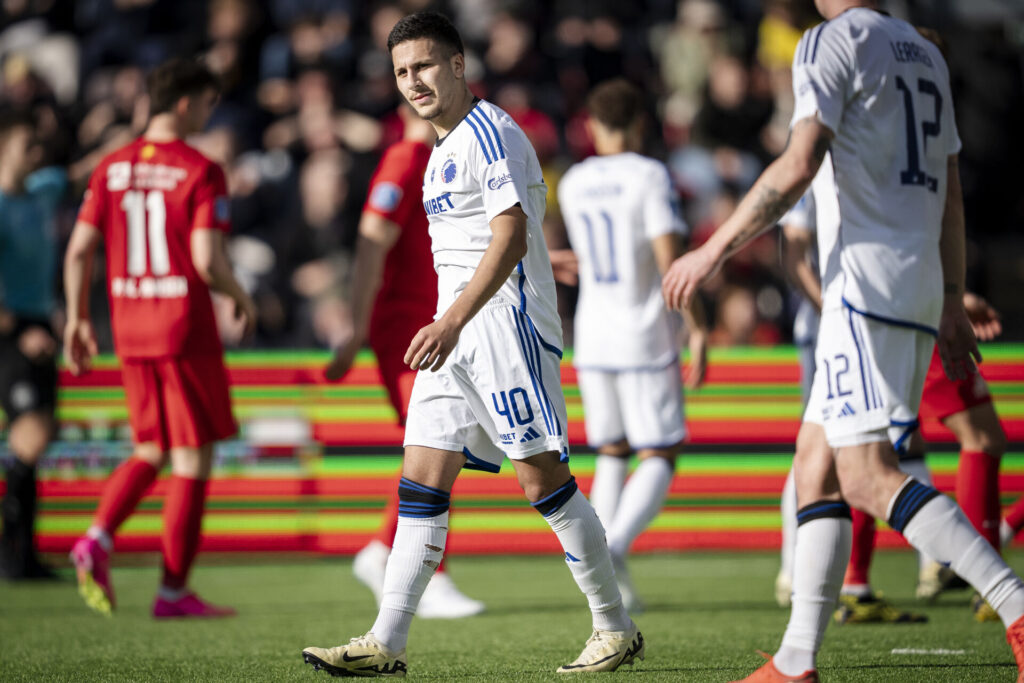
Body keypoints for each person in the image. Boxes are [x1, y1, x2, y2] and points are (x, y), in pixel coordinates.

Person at [661, 2, 1024, 680]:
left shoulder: (829, 42)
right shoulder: (924, 50)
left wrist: (710, 250)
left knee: (866, 474)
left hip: (861, 282)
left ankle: (1016, 605)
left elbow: (798, 163)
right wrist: (948, 297)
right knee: (815, 464)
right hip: (912, 280)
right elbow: (950, 191)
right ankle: (796, 659)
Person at [302, 12, 643, 677]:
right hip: (454, 332)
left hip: (501, 329)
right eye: (402, 72)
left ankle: (614, 625)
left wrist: (454, 319)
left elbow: (510, 236)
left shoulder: (488, 132)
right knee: (421, 482)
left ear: (458, 65)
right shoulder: (441, 146)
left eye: (425, 65)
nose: (413, 81)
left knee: (541, 480)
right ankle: (386, 639)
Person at [63, 57, 256, 619]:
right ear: (184, 102)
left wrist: (78, 317)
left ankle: (98, 536)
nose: (207, 114)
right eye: (206, 104)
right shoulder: (200, 168)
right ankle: (171, 591)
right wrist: (239, 294)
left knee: (151, 448)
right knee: (194, 458)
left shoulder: (111, 166)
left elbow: (79, 249)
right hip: (182, 326)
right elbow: (205, 260)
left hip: (129, 327)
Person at [776, 190, 1008, 624]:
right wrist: (950, 297)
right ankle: (995, 590)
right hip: (894, 312)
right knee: (858, 461)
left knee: (857, 460)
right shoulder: (868, 134)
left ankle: (840, 600)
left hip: (879, 313)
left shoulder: (841, 137)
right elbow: (935, 215)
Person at [325, 102, 483, 619]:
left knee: (443, 441)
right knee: (439, 441)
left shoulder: (435, 157)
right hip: (403, 329)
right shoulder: (407, 157)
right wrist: (354, 330)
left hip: (429, 323)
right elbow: (371, 247)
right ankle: (427, 573)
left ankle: (383, 551)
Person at [556, 77, 708, 613]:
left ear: (592, 125)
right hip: (644, 331)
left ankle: (601, 559)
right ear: (640, 123)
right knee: (662, 450)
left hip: (593, 333)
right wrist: (698, 327)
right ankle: (614, 548)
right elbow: (672, 263)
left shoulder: (574, 180)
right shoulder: (649, 175)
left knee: (612, 452)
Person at [0, 111, 67, 580]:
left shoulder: (42, 191)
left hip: (39, 322)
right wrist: (19, 331)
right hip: (11, 328)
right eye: (27, 145)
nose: (36, 155)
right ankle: (10, 553)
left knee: (41, 432)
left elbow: (84, 171)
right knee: (31, 432)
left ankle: (24, 556)